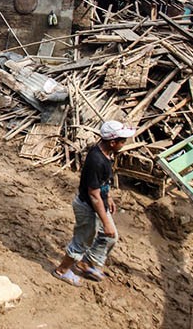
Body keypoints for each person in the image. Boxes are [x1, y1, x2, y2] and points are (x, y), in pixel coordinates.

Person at [52, 120, 135, 287]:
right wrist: (106, 222)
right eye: (122, 141)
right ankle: (61, 270)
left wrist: (108, 197)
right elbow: (93, 194)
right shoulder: (97, 160)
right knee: (82, 241)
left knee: (110, 237)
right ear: (112, 142)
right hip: (88, 207)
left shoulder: (107, 155)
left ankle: (87, 263)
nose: (124, 144)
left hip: (98, 205)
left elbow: (103, 183)